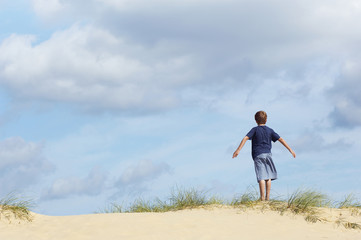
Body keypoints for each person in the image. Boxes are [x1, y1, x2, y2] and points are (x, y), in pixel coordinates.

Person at [232, 111, 296, 201]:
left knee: (261, 177)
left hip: (258, 155)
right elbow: (280, 139)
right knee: (268, 176)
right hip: (268, 154)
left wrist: (238, 150)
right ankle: (267, 198)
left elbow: (245, 138)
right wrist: (290, 149)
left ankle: (262, 198)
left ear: (255, 120)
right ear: (266, 119)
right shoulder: (270, 130)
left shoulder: (254, 129)